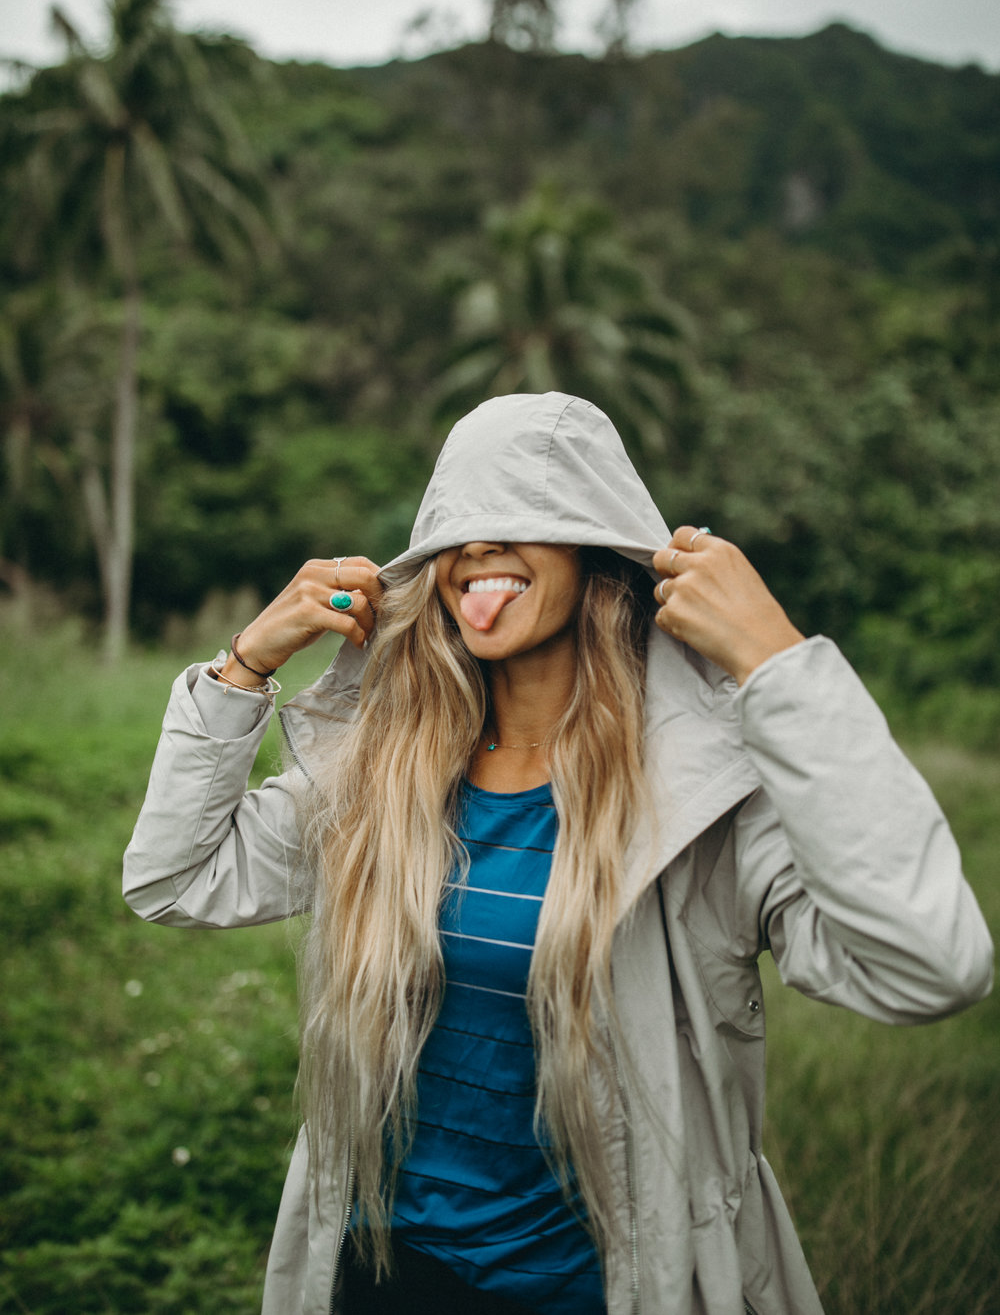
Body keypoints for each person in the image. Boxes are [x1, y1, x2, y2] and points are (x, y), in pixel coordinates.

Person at [124, 391, 992, 1315]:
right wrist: (243, 666)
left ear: (597, 555)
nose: (481, 550)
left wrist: (776, 662)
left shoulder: (702, 804)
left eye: (523, 522)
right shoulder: (392, 771)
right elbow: (178, 880)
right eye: (459, 529)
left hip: (601, 1291)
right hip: (381, 1275)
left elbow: (928, 967)